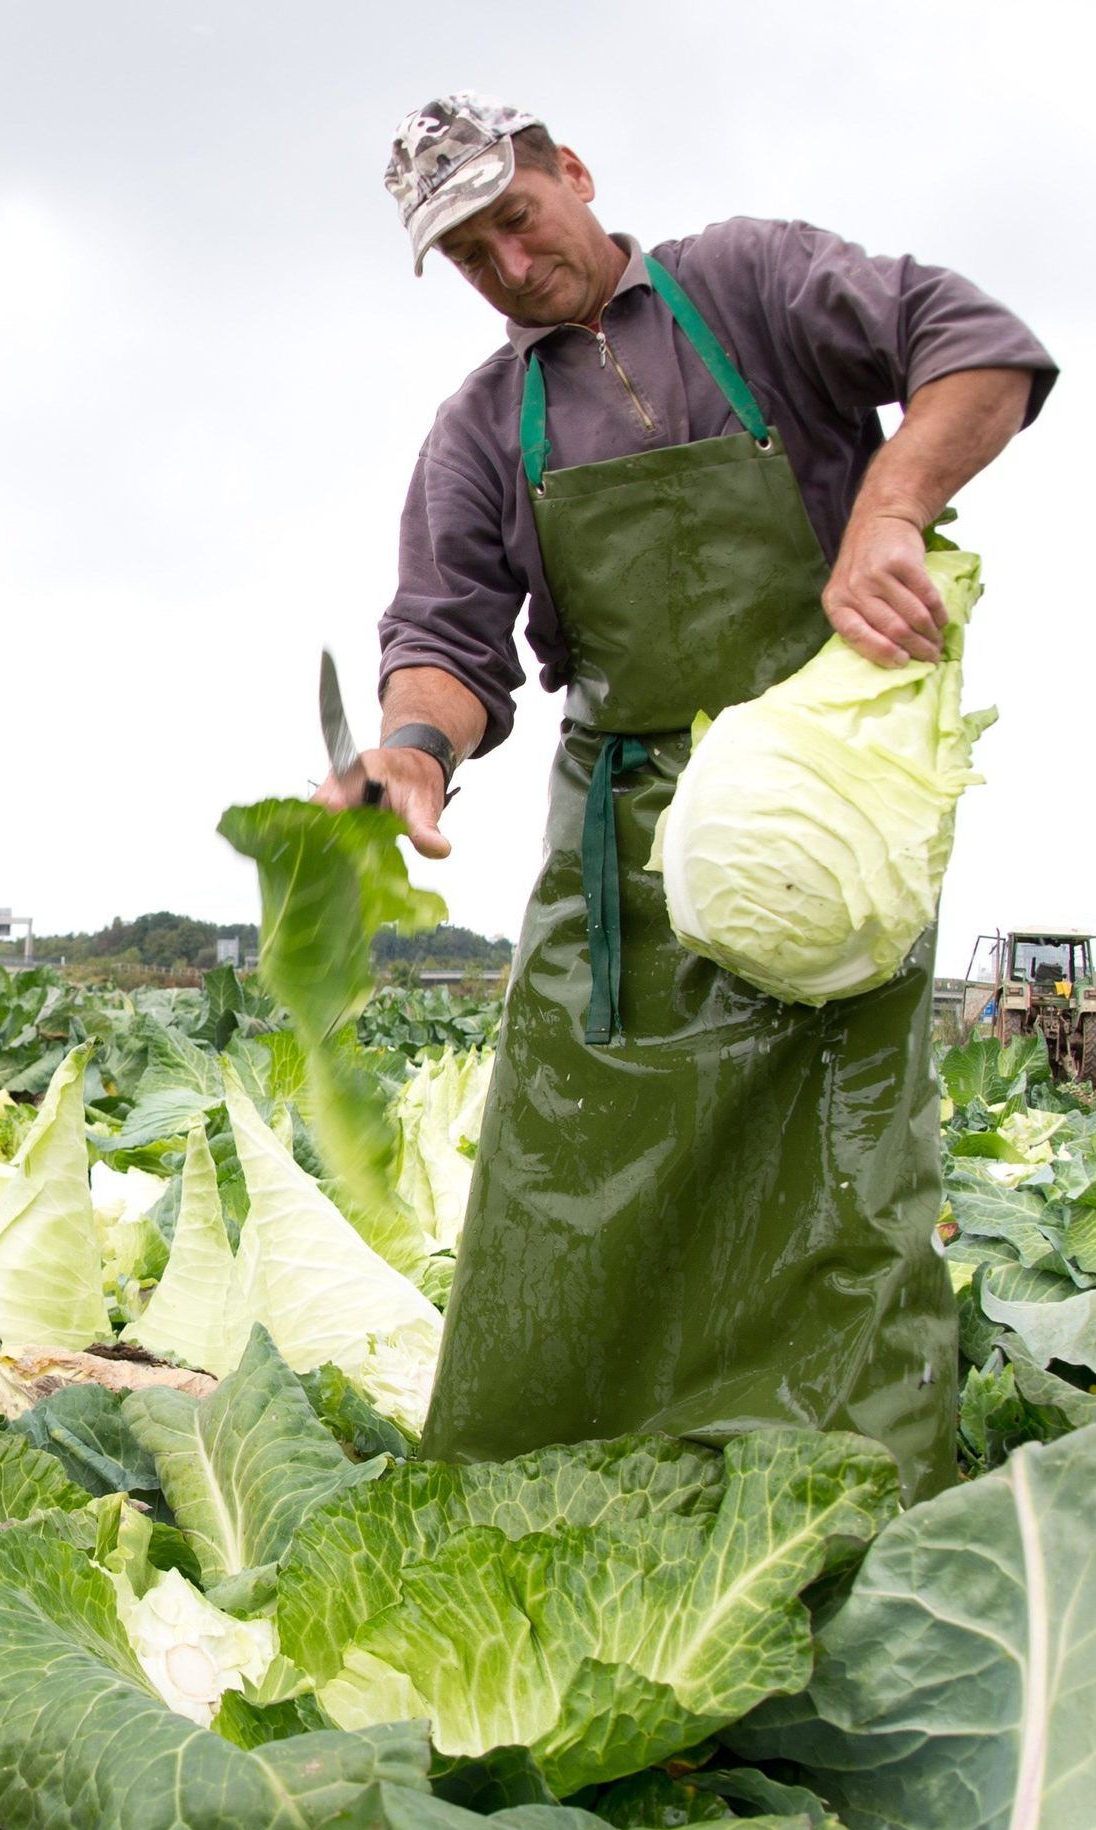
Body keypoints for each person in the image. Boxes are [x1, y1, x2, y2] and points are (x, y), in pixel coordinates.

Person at [316, 93, 1056, 1500]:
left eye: (514, 221)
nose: (507, 267)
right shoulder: (482, 427)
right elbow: (446, 636)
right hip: (624, 839)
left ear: (574, 176)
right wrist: (413, 747)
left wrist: (889, 507)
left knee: (840, 1175)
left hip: (811, 817)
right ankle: (541, 1492)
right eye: (468, 256)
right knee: (562, 1177)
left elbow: (976, 350)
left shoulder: (751, 285)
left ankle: (832, 1502)